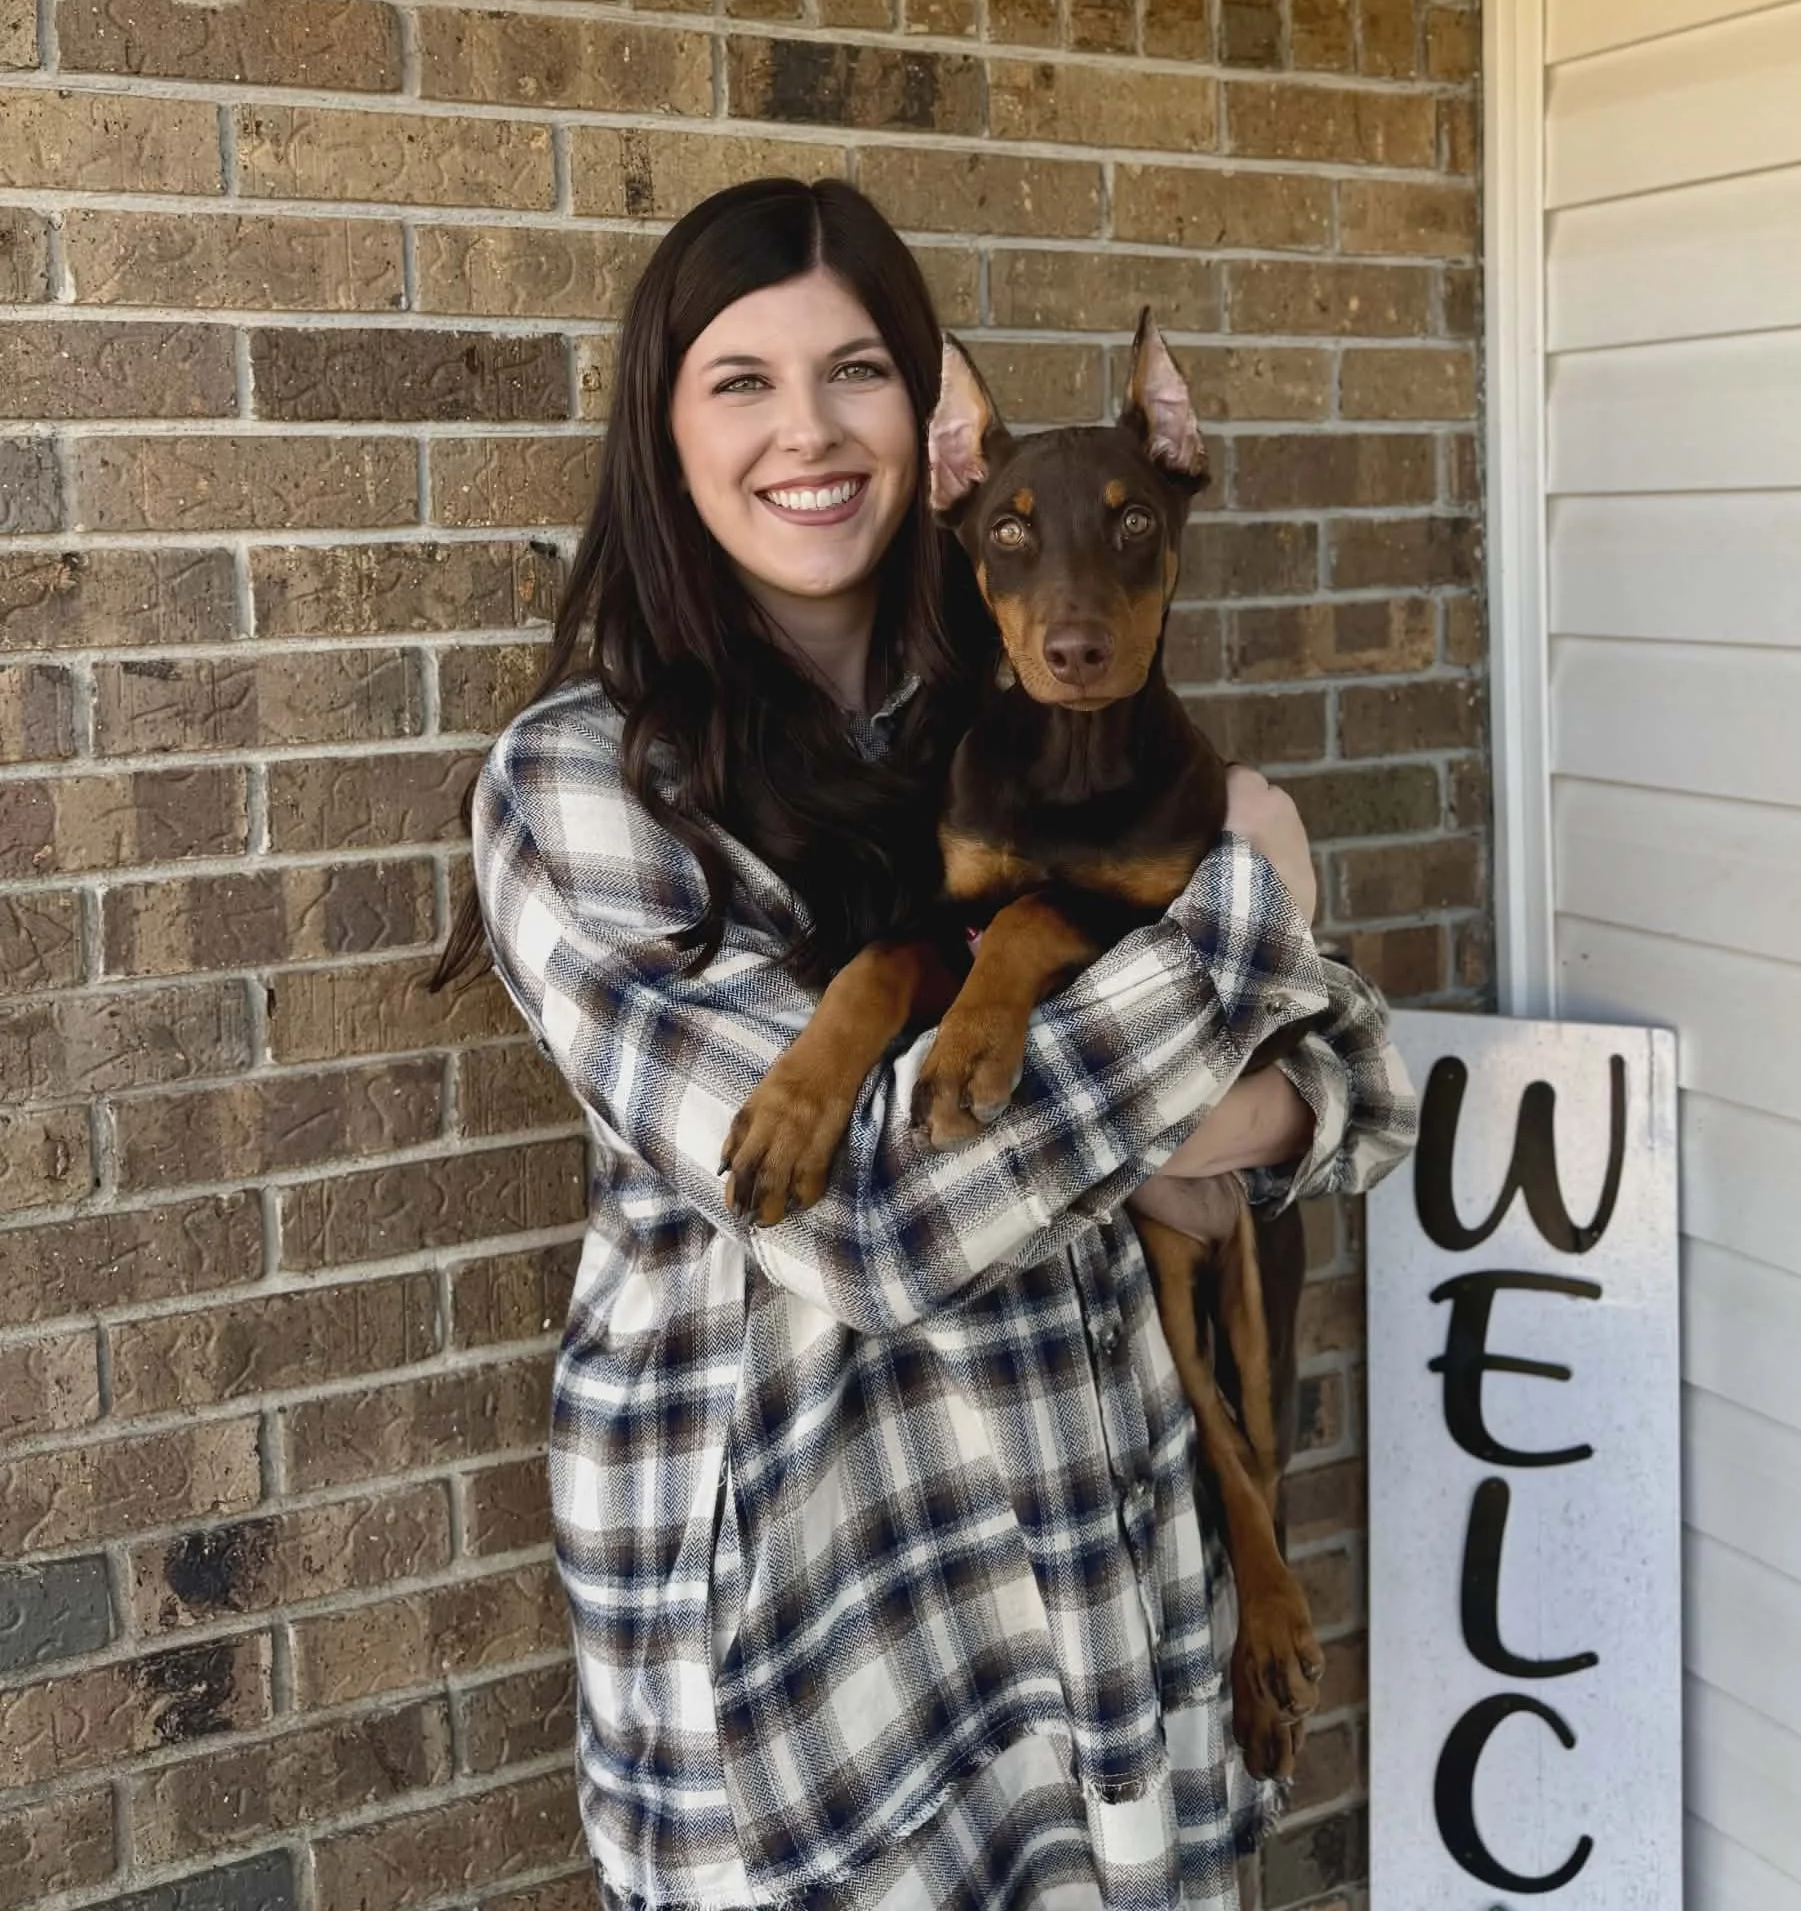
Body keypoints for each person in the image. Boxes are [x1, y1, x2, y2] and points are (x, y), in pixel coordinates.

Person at [433, 177, 1416, 1911]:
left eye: (855, 371)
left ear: (930, 426)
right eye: (739, 382)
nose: (805, 430)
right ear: (662, 434)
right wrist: (1246, 910)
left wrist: (1240, 1109)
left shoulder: (1037, 707)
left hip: (1102, 1585)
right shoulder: (579, 790)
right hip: (815, 1640)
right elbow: (871, 1225)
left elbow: (1354, 1092)